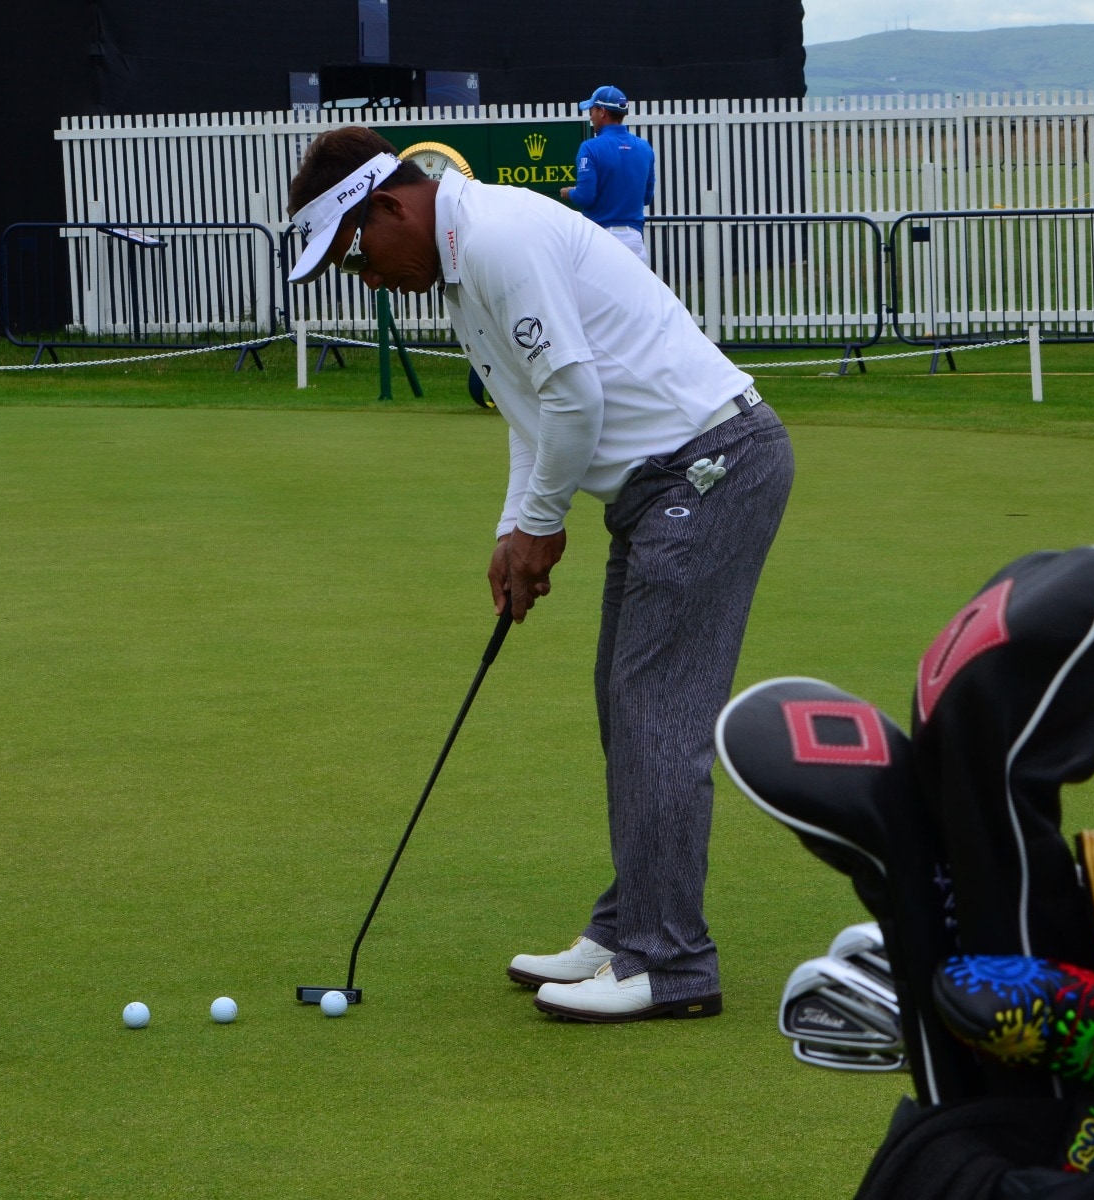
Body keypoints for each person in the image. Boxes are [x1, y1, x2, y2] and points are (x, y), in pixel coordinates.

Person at [284, 127, 794, 1022]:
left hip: (711, 467)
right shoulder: (460, 266)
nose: (367, 283)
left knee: (655, 715)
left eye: (358, 257)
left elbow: (577, 397)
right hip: (661, 487)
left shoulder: (495, 239)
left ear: (393, 206)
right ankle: (629, 929)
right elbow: (533, 411)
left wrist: (544, 526)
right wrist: (512, 529)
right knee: (624, 701)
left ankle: (671, 964)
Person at [558, 85, 656, 265]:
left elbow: (585, 197)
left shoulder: (590, 148)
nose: (590, 115)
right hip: (635, 241)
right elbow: (647, 197)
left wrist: (568, 192)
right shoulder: (644, 148)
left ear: (602, 112)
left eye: (592, 110)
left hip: (600, 238)